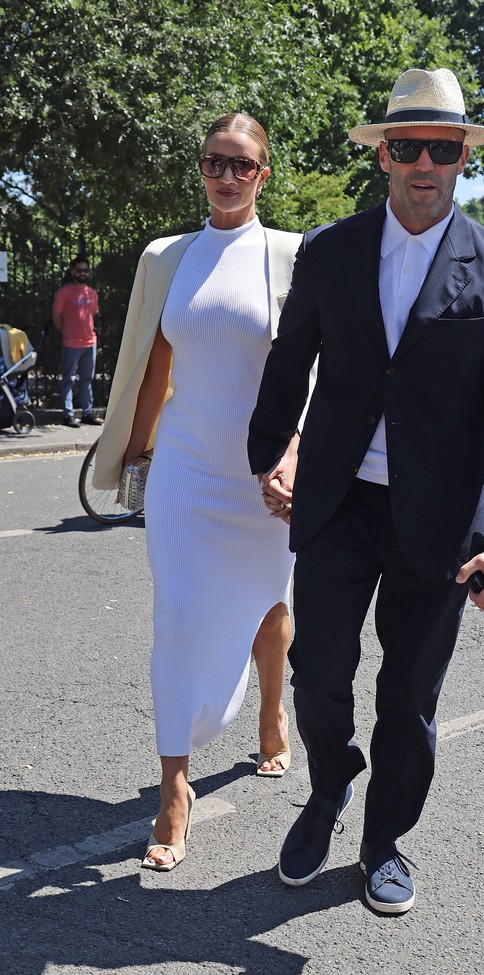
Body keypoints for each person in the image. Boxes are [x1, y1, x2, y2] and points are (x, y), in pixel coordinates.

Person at [248, 67, 484, 914]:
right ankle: (329, 785)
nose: (425, 162)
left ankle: (384, 839)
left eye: (443, 148)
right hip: (339, 501)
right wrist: (270, 452)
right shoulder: (330, 251)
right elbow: (290, 360)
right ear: (383, 155)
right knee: (317, 674)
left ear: (462, 159)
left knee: (409, 699)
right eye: (408, 145)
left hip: (443, 521)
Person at [93, 112, 301, 871]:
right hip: (184, 468)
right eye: (215, 161)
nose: (225, 175)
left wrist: (296, 456)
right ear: (201, 167)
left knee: (270, 606)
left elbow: (305, 372)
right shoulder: (166, 257)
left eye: (242, 164)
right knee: (177, 616)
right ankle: (174, 788)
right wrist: (138, 457)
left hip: (260, 474)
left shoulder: (289, 255)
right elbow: (151, 363)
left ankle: (271, 710)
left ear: (263, 175)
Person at [52, 256, 102, 427]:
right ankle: (68, 415)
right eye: (79, 270)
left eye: (85, 270)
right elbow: (56, 316)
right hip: (71, 343)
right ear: (73, 271)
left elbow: (92, 315)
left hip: (90, 343)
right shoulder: (64, 292)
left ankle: (87, 413)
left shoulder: (92, 293)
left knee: (87, 380)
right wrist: (66, 332)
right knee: (68, 380)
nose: (82, 273)